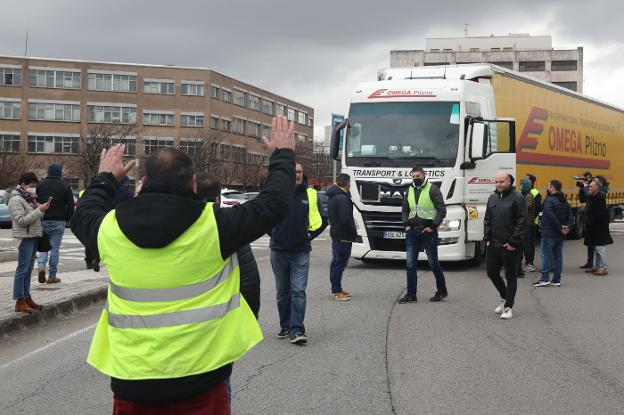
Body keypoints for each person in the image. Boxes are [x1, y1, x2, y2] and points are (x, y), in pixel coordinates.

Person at [71, 115, 296, 414]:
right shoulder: (214, 226)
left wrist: (105, 177)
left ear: (145, 182)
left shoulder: (108, 228)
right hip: (201, 377)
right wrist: (282, 155)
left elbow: (83, 213)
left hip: (132, 380)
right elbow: (274, 202)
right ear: (193, 183)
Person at [270, 162, 327, 345]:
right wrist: (275, 233)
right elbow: (264, 216)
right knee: (282, 292)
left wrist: (310, 235)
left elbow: (323, 219)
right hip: (278, 250)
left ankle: (297, 330)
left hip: (301, 251)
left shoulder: (310, 194)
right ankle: (285, 325)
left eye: (300, 172)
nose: (298, 175)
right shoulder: (277, 193)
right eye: (294, 172)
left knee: (298, 291)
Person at [196, 173, 261, 318]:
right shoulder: (231, 226)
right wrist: (251, 316)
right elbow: (249, 282)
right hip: (224, 319)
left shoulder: (181, 226)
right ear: (218, 199)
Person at [399, 165, 448, 304]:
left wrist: (433, 226)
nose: (416, 179)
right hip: (412, 232)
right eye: (413, 177)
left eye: (418, 176)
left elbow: (441, 210)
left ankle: (442, 290)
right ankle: (411, 294)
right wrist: (406, 224)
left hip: (428, 232)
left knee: (433, 263)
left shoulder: (433, 189)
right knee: (410, 264)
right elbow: (405, 209)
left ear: (424, 175)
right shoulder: (409, 190)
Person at [484, 172, 527, 320]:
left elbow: (521, 222)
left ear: (509, 182)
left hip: (510, 246)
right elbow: (487, 219)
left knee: (510, 276)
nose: (498, 184)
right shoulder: (493, 197)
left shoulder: (518, 198)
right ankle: (504, 298)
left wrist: (513, 242)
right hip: (494, 244)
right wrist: (487, 238)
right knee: (491, 272)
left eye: (502, 182)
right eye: (496, 181)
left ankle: (509, 307)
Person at [7, 172, 50, 313]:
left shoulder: (28, 198)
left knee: (28, 270)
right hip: (25, 237)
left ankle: (27, 297)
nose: (34, 189)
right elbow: (21, 220)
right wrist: (38, 211)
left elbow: (34, 217)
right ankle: (20, 301)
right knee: (22, 269)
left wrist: (41, 210)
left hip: (33, 236)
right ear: (24, 184)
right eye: (32, 186)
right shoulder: (16, 199)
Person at [36, 163, 75, 284]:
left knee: (43, 246)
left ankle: (41, 266)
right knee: (55, 249)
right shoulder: (65, 185)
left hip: (43, 219)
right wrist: (68, 219)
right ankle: (52, 276)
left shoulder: (41, 185)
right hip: (59, 220)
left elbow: (35, 201)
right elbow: (70, 205)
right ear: (59, 172)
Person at [532, 180, 574, 287]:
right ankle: (556, 280)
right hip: (560, 235)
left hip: (549, 233)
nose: (547, 188)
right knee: (558, 256)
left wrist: (560, 227)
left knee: (545, 255)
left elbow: (549, 215)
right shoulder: (565, 201)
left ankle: (545, 278)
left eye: (548, 186)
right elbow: (571, 217)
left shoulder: (549, 200)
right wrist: (566, 228)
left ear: (552, 188)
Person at [326, 173, 356, 301]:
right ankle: (336, 291)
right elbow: (346, 219)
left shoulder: (334, 196)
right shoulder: (342, 198)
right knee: (339, 263)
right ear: (347, 183)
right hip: (343, 235)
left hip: (337, 233)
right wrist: (353, 232)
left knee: (336, 262)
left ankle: (336, 288)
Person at [583, 178, 613, 275]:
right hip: (594, 226)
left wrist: (591, 221)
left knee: (600, 248)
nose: (589, 188)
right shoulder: (593, 196)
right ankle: (597, 266)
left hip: (599, 227)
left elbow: (600, 214)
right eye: (588, 186)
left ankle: (604, 267)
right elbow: (583, 199)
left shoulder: (600, 197)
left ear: (597, 187)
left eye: (591, 186)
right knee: (597, 247)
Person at [518, 178, 537, 274]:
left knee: (527, 245)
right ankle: (525, 263)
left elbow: (525, 207)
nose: (520, 186)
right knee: (523, 244)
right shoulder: (524, 195)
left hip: (528, 224)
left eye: (521, 184)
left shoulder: (528, 196)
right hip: (525, 224)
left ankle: (530, 263)